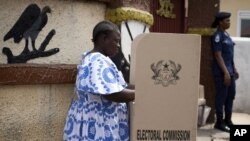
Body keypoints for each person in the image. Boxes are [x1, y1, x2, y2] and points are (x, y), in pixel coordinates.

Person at [63, 20, 135, 141]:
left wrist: (144, 87)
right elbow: (113, 93)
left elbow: (119, 86)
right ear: (103, 38)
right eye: (115, 41)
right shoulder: (97, 61)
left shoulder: (91, 57)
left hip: (92, 122)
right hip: (98, 127)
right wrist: (143, 94)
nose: (118, 45)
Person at [211, 12, 239, 132]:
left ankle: (228, 120)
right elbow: (218, 55)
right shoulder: (218, 36)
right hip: (222, 72)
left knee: (230, 96)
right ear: (220, 22)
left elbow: (230, 55)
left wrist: (234, 68)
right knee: (221, 97)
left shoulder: (226, 34)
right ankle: (219, 122)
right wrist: (226, 73)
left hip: (230, 71)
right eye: (227, 21)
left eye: (229, 20)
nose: (229, 22)